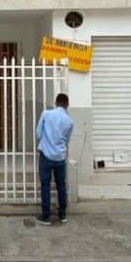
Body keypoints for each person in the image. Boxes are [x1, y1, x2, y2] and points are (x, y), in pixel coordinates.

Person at [35, 92, 74, 225]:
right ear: (67, 105)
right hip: (60, 157)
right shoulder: (70, 121)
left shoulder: (46, 114)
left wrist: (46, 141)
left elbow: (38, 133)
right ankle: (62, 215)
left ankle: (46, 216)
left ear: (56, 103)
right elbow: (67, 140)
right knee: (61, 186)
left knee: (45, 185)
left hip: (46, 155)